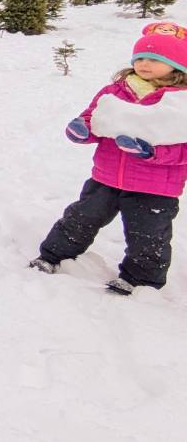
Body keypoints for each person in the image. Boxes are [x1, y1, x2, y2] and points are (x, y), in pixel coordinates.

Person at [30, 22, 187, 295]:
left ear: (177, 65)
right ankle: (52, 255)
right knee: (80, 219)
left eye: (154, 59)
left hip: (155, 188)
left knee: (148, 237)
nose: (144, 64)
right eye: (140, 58)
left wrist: (152, 153)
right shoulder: (116, 91)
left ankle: (141, 281)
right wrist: (83, 130)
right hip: (106, 176)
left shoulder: (180, 102)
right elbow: (95, 119)